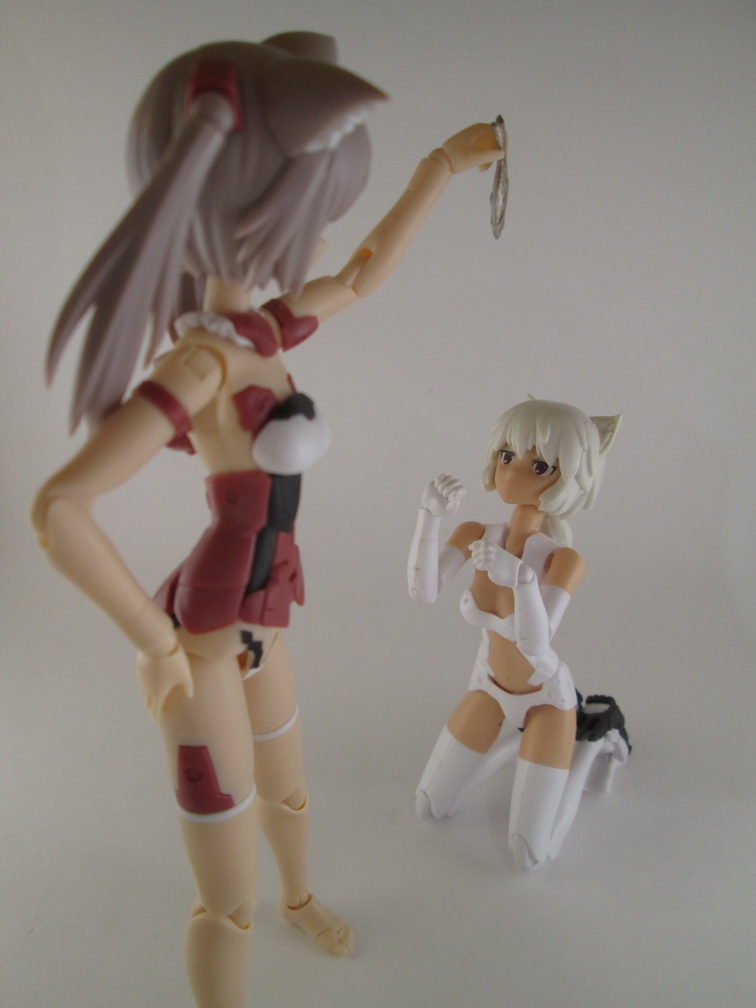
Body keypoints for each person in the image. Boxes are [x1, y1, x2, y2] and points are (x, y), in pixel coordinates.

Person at [31, 32, 504, 1008]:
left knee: (290, 792)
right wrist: (153, 640)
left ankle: (301, 898)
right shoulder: (200, 366)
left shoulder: (261, 331)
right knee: (224, 897)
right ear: (239, 213)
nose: (319, 231)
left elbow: (363, 272)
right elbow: (58, 509)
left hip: (266, 617)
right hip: (202, 645)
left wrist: (442, 168)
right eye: (311, 206)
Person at [408, 398, 629, 871]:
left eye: (540, 465)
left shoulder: (562, 561)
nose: (512, 472)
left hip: (545, 697)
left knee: (530, 853)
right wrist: (429, 516)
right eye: (507, 455)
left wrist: (522, 580)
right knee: (428, 806)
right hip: (488, 688)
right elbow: (423, 591)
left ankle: (591, 743)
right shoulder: (476, 532)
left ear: (568, 479)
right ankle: (514, 742)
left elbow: (536, 642)